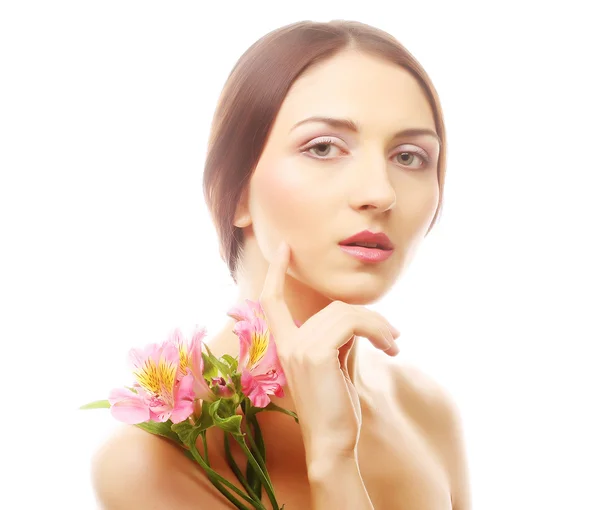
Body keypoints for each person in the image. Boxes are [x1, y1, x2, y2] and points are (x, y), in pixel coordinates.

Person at [91, 19, 472, 510]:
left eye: (409, 156)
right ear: (232, 192)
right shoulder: (155, 461)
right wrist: (332, 456)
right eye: (322, 147)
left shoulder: (426, 412)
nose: (380, 193)